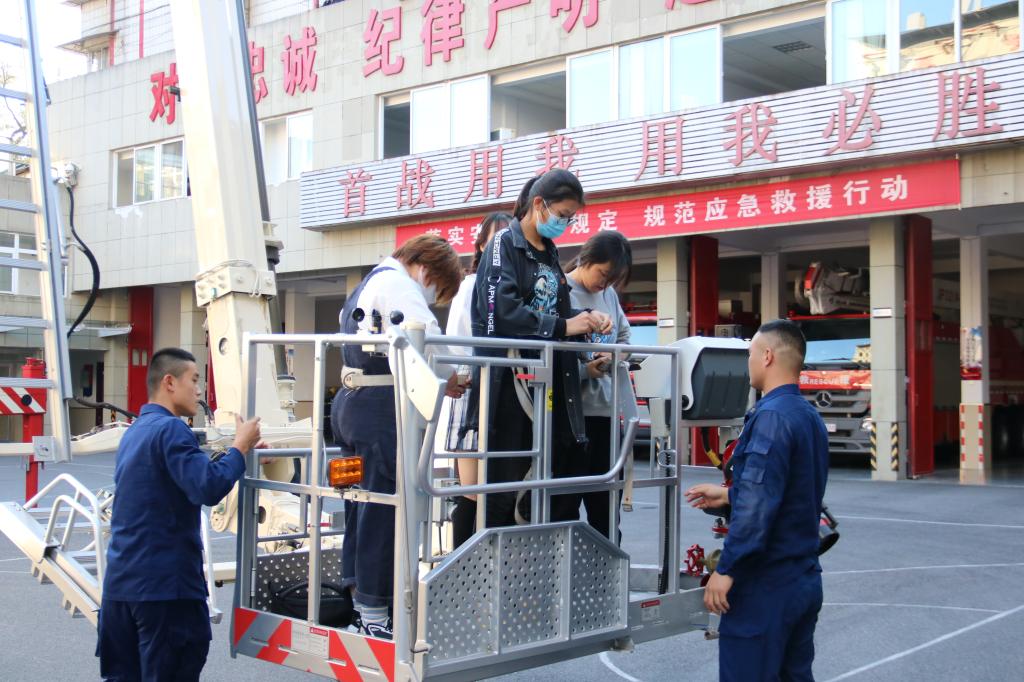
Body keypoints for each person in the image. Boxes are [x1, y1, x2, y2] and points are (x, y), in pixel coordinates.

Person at [97, 348, 262, 682]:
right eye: (195, 380)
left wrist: (237, 456)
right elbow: (206, 487)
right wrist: (240, 447)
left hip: (121, 588)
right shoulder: (172, 429)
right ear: (170, 382)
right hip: (165, 590)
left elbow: (185, 475)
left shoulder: (136, 432)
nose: (199, 390)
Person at [331, 234, 466, 639]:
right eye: (438, 289)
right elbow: (425, 344)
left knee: (360, 504)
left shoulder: (369, 281)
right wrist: (452, 377)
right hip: (380, 406)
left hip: (351, 401)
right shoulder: (400, 286)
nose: (432, 297)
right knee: (385, 508)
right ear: (427, 269)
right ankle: (374, 609)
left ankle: (358, 597)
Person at [684, 320, 829, 682]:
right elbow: (792, 490)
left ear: (767, 356)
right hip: (803, 578)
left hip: (766, 585)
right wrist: (728, 495)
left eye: (750, 354)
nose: (747, 362)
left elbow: (757, 507)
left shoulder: (770, 417)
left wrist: (727, 569)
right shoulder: (809, 416)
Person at [469, 169, 611, 529]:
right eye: (562, 214)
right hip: (509, 383)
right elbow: (502, 312)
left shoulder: (549, 252)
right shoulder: (503, 244)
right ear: (538, 204)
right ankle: (494, 559)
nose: (565, 223)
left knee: (542, 483)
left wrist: (586, 317)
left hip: (547, 383)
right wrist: (564, 326)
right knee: (505, 484)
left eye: (570, 218)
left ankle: (531, 557)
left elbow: (556, 309)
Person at [440, 211, 513, 548]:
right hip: (473, 389)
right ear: (481, 244)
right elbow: (456, 342)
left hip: (508, 392)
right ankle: (461, 565)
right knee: (472, 491)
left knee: (498, 491)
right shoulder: (470, 285)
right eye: (495, 238)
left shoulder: (513, 287)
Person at [565, 230, 633, 541]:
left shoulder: (609, 296)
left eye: (612, 279)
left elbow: (625, 339)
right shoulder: (562, 291)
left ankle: (606, 570)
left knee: (605, 509)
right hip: (570, 418)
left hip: (607, 413)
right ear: (586, 258)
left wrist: (613, 356)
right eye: (603, 274)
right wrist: (584, 371)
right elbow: (548, 355)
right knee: (564, 505)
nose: (604, 284)